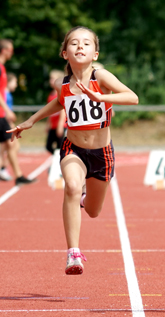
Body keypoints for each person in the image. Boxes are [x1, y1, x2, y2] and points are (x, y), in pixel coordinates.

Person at [8, 26, 138, 275]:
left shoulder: (101, 77)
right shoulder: (62, 83)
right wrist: (31, 121)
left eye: (87, 43)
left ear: (95, 53)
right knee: (71, 185)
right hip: (73, 147)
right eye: (74, 43)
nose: (80, 46)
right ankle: (73, 253)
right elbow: (59, 102)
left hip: (101, 153)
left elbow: (132, 97)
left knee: (93, 211)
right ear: (65, 53)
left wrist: (102, 98)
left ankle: (83, 198)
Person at [0, 39, 36, 185]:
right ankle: (16, 175)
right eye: (10, 50)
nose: (12, 53)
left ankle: (16, 175)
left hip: (2, 113)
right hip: (1, 113)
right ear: (4, 50)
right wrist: (7, 110)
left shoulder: (2, 68)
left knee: (10, 144)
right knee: (11, 143)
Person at [0, 72, 18, 180]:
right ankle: (3, 168)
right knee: (8, 146)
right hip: (4, 121)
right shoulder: (4, 94)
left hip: (6, 121)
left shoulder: (7, 94)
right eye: (15, 82)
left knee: (10, 146)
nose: (16, 85)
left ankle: (4, 168)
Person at [45, 69, 66, 154]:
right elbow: (49, 112)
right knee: (48, 146)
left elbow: (63, 110)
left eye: (53, 78)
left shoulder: (60, 93)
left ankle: (59, 163)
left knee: (60, 146)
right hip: (53, 126)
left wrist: (60, 125)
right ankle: (56, 159)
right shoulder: (51, 95)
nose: (51, 80)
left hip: (60, 125)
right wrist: (48, 125)